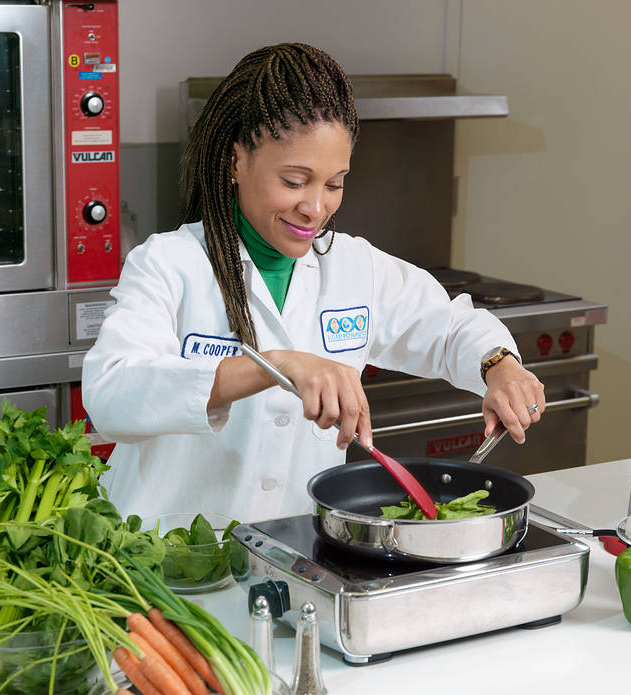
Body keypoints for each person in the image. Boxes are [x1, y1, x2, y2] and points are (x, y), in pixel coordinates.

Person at [81, 43, 545, 523]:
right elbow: (112, 394)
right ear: (235, 160)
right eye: (295, 180)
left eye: (334, 183)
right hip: (163, 564)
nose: (316, 207)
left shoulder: (353, 267)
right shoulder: (169, 263)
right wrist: (274, 367)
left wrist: (500, 367)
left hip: (290, 558)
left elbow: (451, 328)